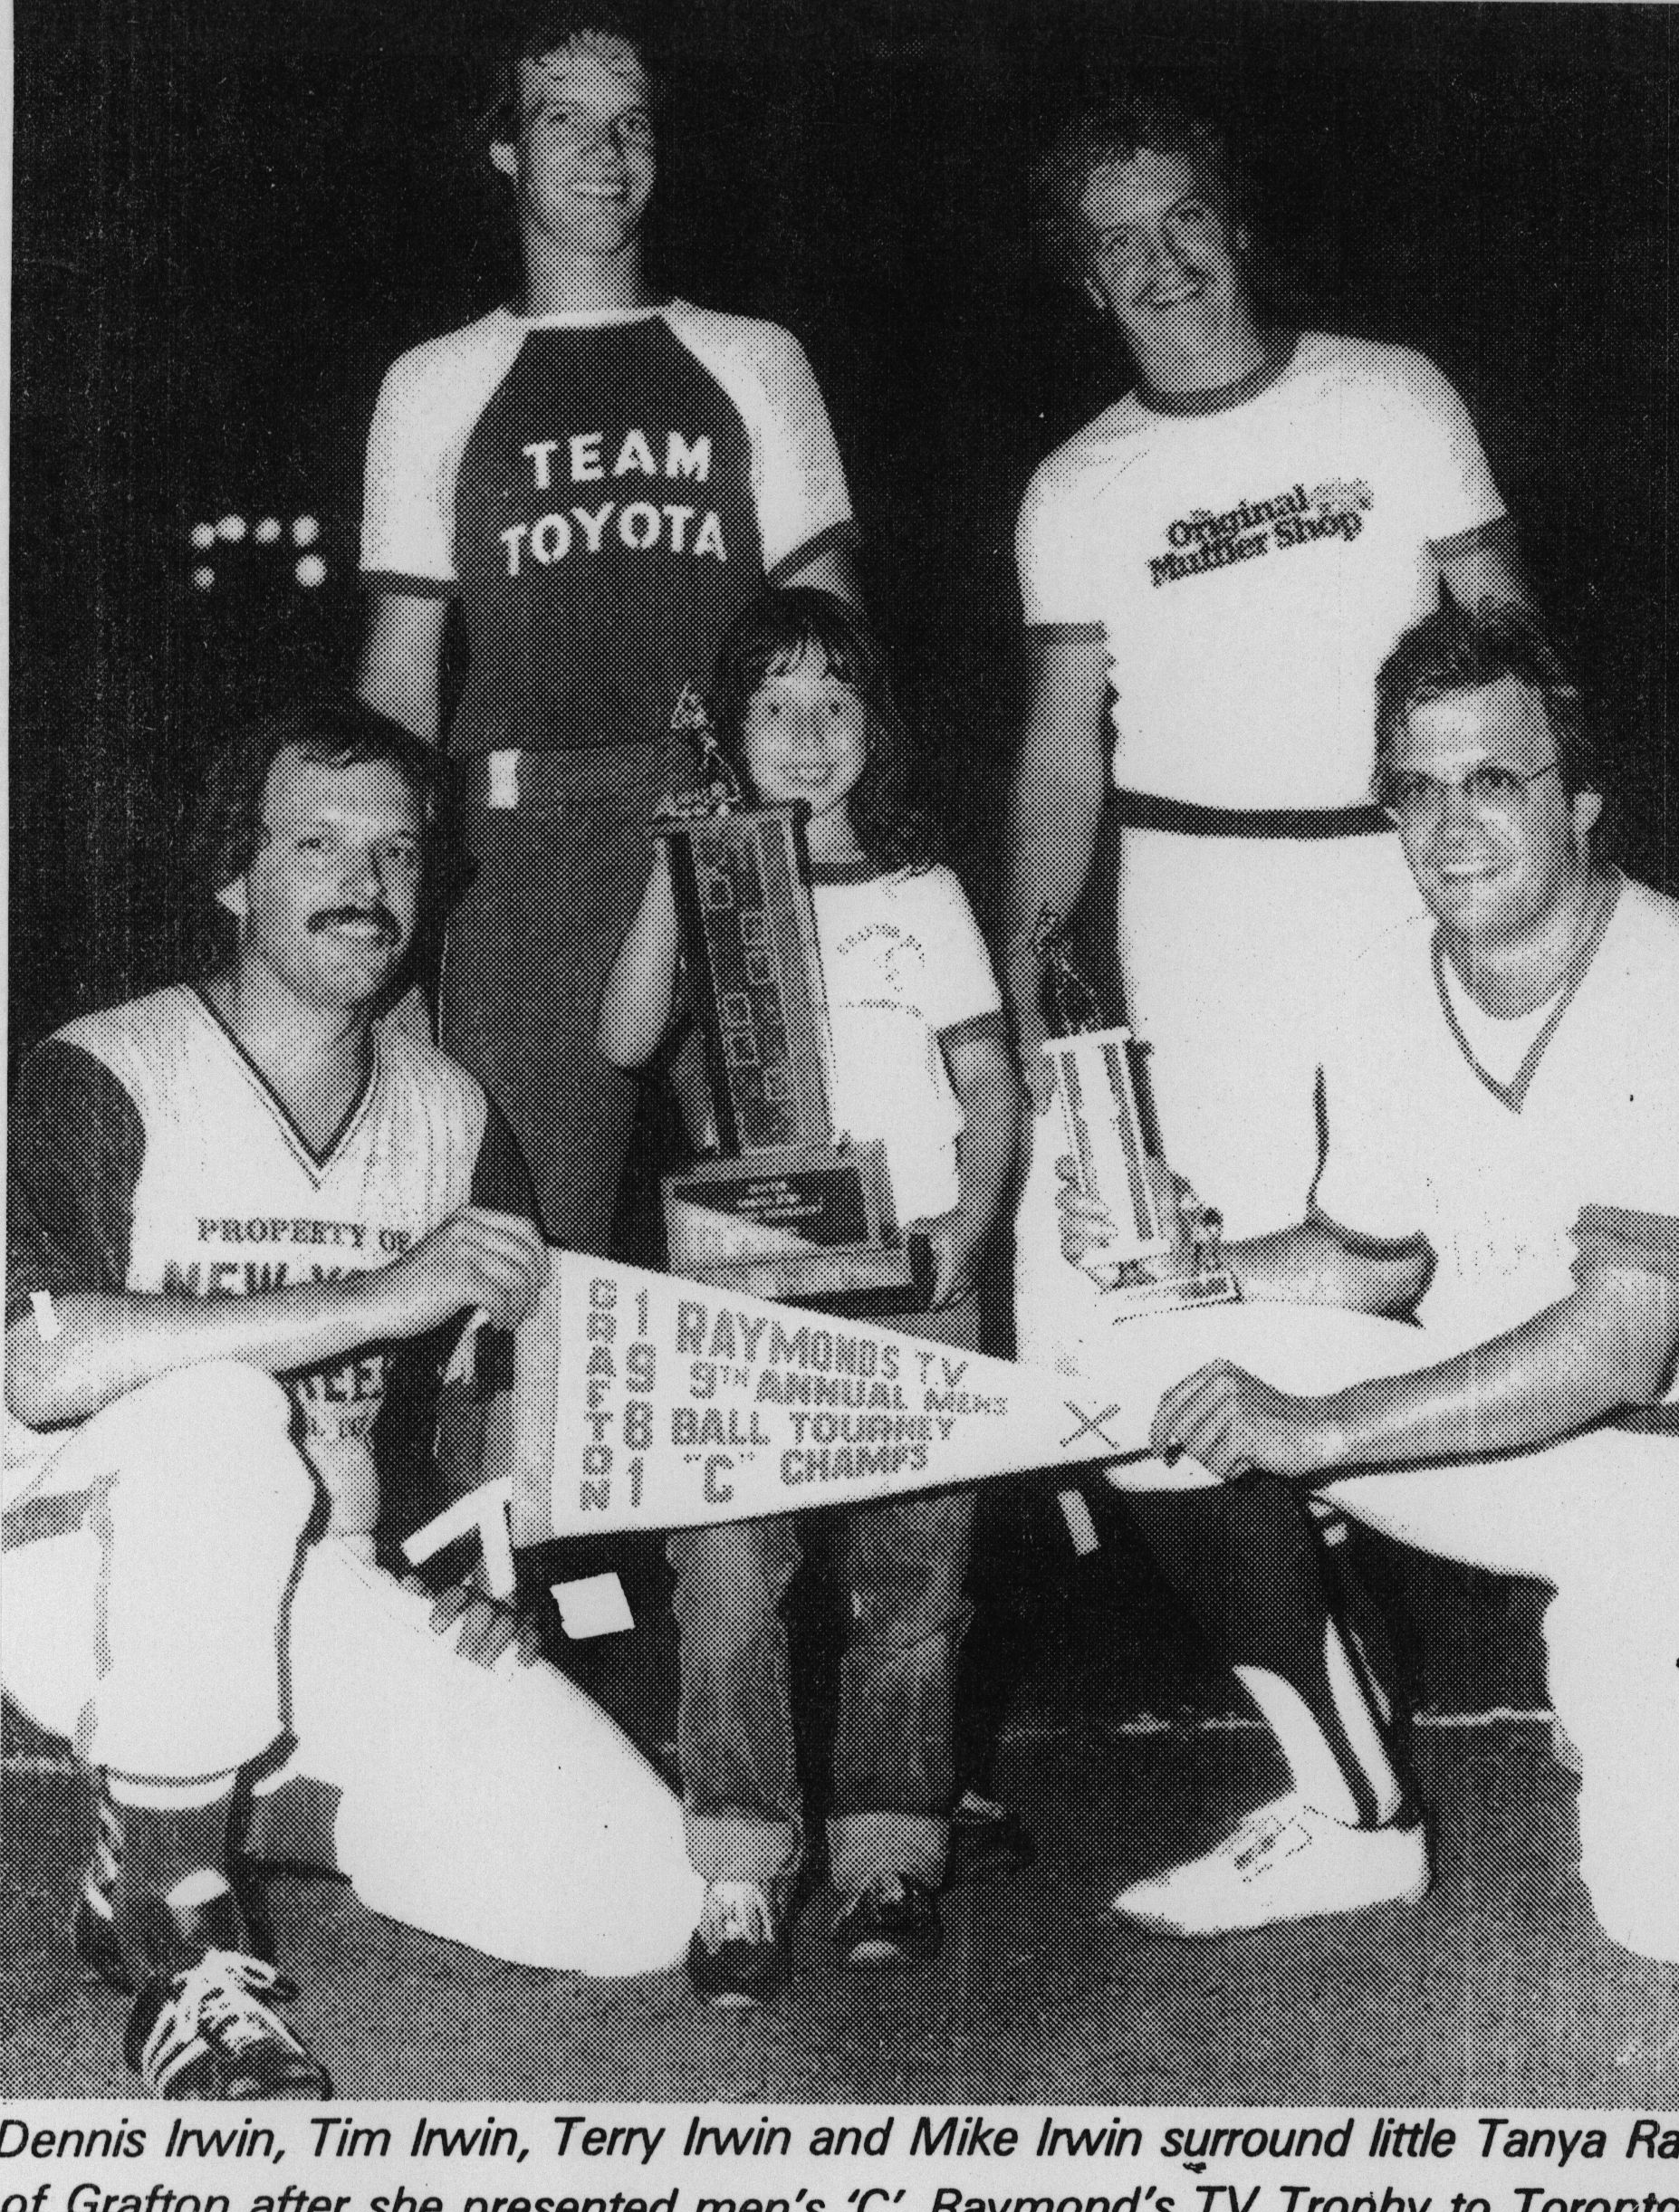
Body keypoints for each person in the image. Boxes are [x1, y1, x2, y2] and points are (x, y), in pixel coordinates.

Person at [1060, 604, 1679, 1966]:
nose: (1452, 822)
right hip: (1530, 1453)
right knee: (1138, 1355)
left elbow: (1617, 1348)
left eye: (1495, 779)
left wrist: (1322, 1430)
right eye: (1418, 788)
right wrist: (1185, 1267)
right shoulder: (1380, 987)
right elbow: (1370, 1263)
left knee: (1674, 1923)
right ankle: (1353, 1814)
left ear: (1582, 799)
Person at [3, 703, 703, 2101]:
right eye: (315, 842)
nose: (363, 880)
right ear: (233, 875)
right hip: (71, 1561)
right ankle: (175, 1931)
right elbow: (40, 1361)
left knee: (642, 1896)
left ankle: (188, 1810)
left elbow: (508, 1379)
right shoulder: (107, 1066)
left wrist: (504, 1567)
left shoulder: (448, 1109)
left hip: (307, 1585)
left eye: (395, 849)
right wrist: (378, 1297)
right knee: (222, 1420)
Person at [1003, 89, 1534, 1917]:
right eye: (1117, 242)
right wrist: (1034, 987)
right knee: (1153, 1321)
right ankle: (1345, 1797)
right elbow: (1063, 754)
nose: (1161, 260)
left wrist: (1537, 879)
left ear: (1230, 216)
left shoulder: (1390, 395)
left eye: (1181, 218)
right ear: (1082, 281)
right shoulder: (1076, 485)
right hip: (1199, 912)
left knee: (1506, 1258)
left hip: (1416, 869)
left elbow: (1508, 643)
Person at [357, 9, 859, 1253]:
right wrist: (390, 931)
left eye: (629, 122)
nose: (602, 151)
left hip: (739, 826)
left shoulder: (754, 358)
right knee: (517, 1261)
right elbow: (402, 680)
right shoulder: (433, 383)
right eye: (561, 120)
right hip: (523, 857)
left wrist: (851, 853)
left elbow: (834, 633)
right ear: (505, 155)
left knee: (807, 1241)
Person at [600, 589, 1023, 2002]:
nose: (804, 731)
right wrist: (685, 850)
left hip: (912, 1271)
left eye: (834, 701)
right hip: (744, 1284)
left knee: (914, 1581)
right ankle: (738, 1864)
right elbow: (619, 1036)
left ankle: (890, 1850)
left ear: (874, 730)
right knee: (727, 1573)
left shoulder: (924, 892)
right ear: (728, 730)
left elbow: (987, 1082)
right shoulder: (713, 880)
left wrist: (973, 1219)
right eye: (771, 703)